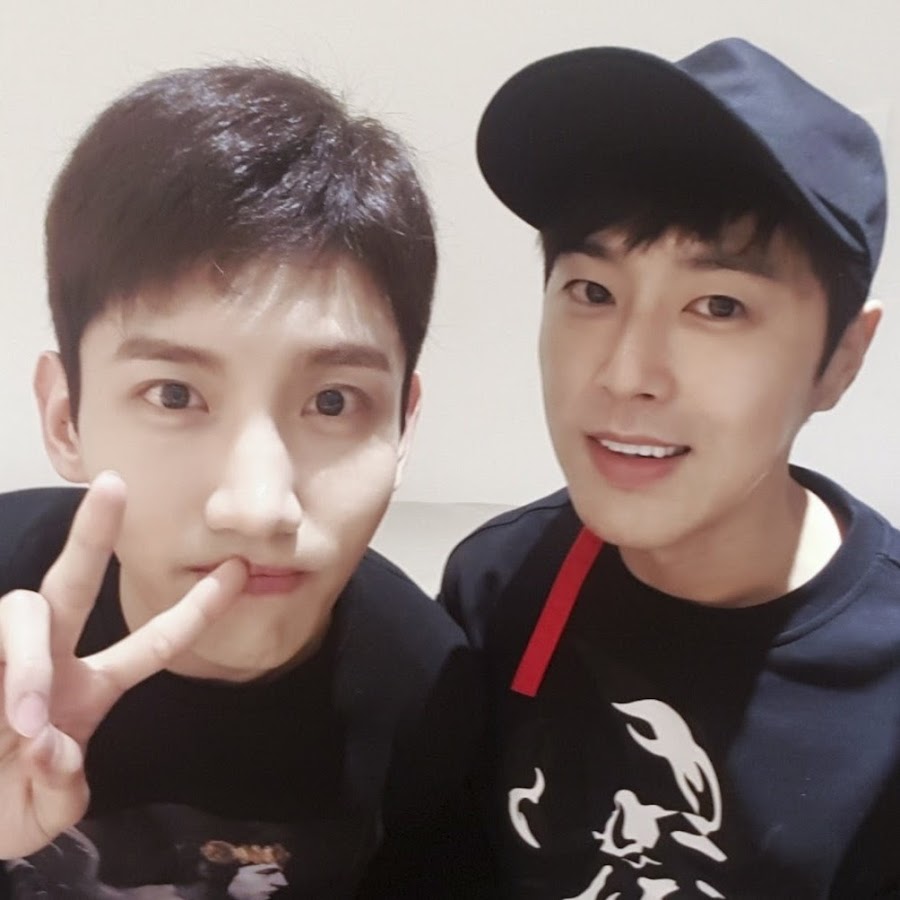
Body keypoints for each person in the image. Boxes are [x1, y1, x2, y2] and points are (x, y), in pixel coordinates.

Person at [0, 63, 486, 897]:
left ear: (403, 427)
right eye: (175, 395)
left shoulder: (427, 691)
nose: (260, 508)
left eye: (333, 401)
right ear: (65, 418)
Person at [439, 38, 899, 898]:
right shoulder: (498, 586)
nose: (626, 375)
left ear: (842, 357)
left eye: (718, 305)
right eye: (592, 292)